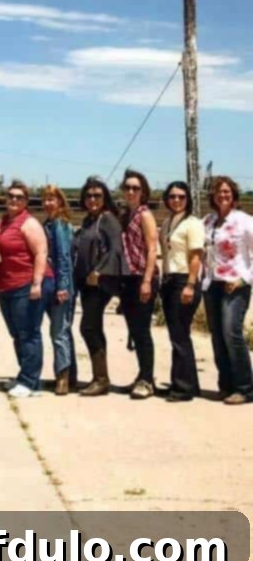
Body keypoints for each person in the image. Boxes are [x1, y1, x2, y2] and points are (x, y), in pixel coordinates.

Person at [0, 181, 54, 398]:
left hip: (27, 284)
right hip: (7, 285)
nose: (14, 200)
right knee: (17, 333)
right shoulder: (2, 222)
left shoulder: (29, 223)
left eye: (19, 197)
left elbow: (41, 252)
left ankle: (31, 382)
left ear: (26, 202)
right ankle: (25, 376)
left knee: (29, 333)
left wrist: (37, 283)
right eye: (11, 196)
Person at [73, 176, 128, 397]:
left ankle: (102, 379)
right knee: (94, 327)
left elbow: (115, 249)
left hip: (100, 283)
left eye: (97, 195)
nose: (92, 199)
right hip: (86, 284)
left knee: (88, 327)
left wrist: (99, 271)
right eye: (88, 195)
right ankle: (99, 377)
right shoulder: (88, 220)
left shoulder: (108, 220)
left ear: (104, 198)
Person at [202, 175, 253, 405]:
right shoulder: (208, 221)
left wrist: (244, 279)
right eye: (218, 192)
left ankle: (245, 388)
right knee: (217, 336)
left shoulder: (244, 221)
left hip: (236, 284)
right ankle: (227, 384)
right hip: (212, 283)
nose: (223, 195)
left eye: (226, 191)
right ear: (212, 196)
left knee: (232, 333)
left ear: (233, 194)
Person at [159, 181, 204, 402]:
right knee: (178, 334)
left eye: (181, 197)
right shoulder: (167, 222)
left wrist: (190, 284)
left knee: (179, 336)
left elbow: (196, 256)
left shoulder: (193, 223)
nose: (177, 200)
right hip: (168, 280)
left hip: (183, 280)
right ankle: (189, 383)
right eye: (173, 196)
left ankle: (183, 388)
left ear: (188, 199)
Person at [118, 169, 159, 399]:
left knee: (142, 331)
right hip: (128, 279)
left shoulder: (145, 215)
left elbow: (152, 248)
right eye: (128, 188)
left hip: (143, 277)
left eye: (135, 188)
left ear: (143, 192)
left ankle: (147, 379)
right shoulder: (126, 214)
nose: (131, 191)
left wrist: (147, 280)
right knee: (134, 329)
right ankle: (143, 374)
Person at [41, 185, 77, 395]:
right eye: (45, 199)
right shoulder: (49, 223)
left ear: (60, 202)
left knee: (59, 332)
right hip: (51, 283)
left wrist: (62, 286)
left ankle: (62, 377)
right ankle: (70, 375)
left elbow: (63, 257)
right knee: (63, 330)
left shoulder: (60, 225)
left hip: (59, 285)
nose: (48, 203)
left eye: (52, 199)